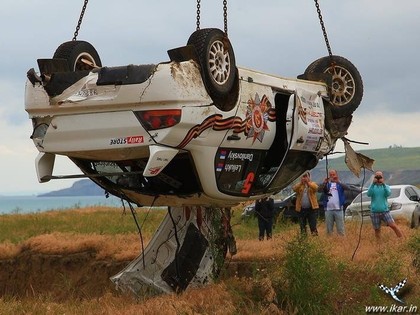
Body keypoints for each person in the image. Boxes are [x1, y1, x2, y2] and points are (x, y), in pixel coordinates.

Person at [367, 171, 402, 239]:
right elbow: (369, 194)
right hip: (374, 212)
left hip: (385, 211)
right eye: (376, 177)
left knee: (393, 225)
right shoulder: (372, 187)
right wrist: (373, 184)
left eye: (380, 177)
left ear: (383, 177)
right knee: (377, 229)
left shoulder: (386, 187)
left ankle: (401, 238)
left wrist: (383, 184)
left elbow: (388, 193)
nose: (378, 178)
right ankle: (379, 245)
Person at [321, 169, 347, 236]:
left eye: (333, 175)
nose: (332, 176)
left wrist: (338, 182)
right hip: (328, 209)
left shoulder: (339, 184)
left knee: (340, 229)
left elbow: (347, 188)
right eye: (331, 175)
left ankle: (342, 243)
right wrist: (324, 183)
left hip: (338, 209)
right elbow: (319, 190)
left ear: (336, 175)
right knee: (329, 230)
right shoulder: (327, 185)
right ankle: (330, 242)